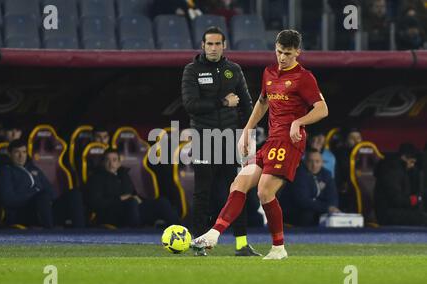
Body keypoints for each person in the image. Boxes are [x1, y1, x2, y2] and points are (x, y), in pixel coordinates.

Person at [191, 29, 329, 259]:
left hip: (290, 142)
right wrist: (247, 130)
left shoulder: (304, 78)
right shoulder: (269, 73)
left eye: (287, 53)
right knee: (239, 182)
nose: (282, 57)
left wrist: (299, 122)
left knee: (265, 191)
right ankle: (213, 235)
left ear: (297, 52)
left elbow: (322, 109)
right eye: (278, 52)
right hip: (272, 140)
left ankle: (278, 248)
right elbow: (263, 102)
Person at [182, 27, 258, 256]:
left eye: (217, 44)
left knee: (238, 190)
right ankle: (198, 243)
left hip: (230, 139)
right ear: (203, 46)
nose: (213, 48)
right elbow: (190, 105)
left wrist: (248, 133)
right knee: (202, 192)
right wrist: (222, 102)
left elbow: (247, 104)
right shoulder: (192, 70)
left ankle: (241, 245)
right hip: (205, 138)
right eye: (209, 44)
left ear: (224, 45)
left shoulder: (233, 70)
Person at [0, 139, 85, 228]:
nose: (21, 156)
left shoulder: (33, 169)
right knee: (42, 196)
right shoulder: (5, 171)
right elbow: (8, 199)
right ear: (10, 154)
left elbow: (51, 192)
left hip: (45, 209)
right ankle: (49, 235)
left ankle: (81, 234)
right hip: (23, 213)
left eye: (24, 152)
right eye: (17, 152)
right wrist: (34, 193)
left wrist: (45, 198)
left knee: (74, 194)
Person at [86, 148, 180, 228]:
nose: (111, 164)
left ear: (119, 163)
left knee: (162, 202)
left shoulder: (124, 174)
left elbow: (133, 194)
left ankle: (180, 230)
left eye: (114, 160)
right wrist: (120, 199)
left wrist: (141, 200)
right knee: (131, 202)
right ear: (103, 162)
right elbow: (96, 203)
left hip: (132, 208)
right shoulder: (96, 178)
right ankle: (136, 235)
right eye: (107, 160)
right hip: (111, 213)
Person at [281, 148, 340, 226]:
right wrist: (326, 208)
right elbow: (303, 201)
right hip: (293, 211)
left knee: (333, 215)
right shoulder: (298, 174)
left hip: (317, 208)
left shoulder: (327, 175)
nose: (314, 165)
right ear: (304, 162)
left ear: (322, 162)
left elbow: (333, 197)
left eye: (317, 161)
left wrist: (332, 207)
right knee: (308, 214)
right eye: (310, 161)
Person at [374, 143, 427, 225]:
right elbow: (396, 199)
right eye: (411, 162)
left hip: (395, 210)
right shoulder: (392, 170)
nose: (412, 165)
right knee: (422, 218)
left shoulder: (401, 170)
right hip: (387, 214)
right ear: (404, 157)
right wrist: (416, 200)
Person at [334, 127, 362, 212]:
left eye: (358, 138)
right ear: (345, 140)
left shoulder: (365, 154)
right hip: (344, 193)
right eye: (352, 138)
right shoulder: (340, 154)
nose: (356, 141)